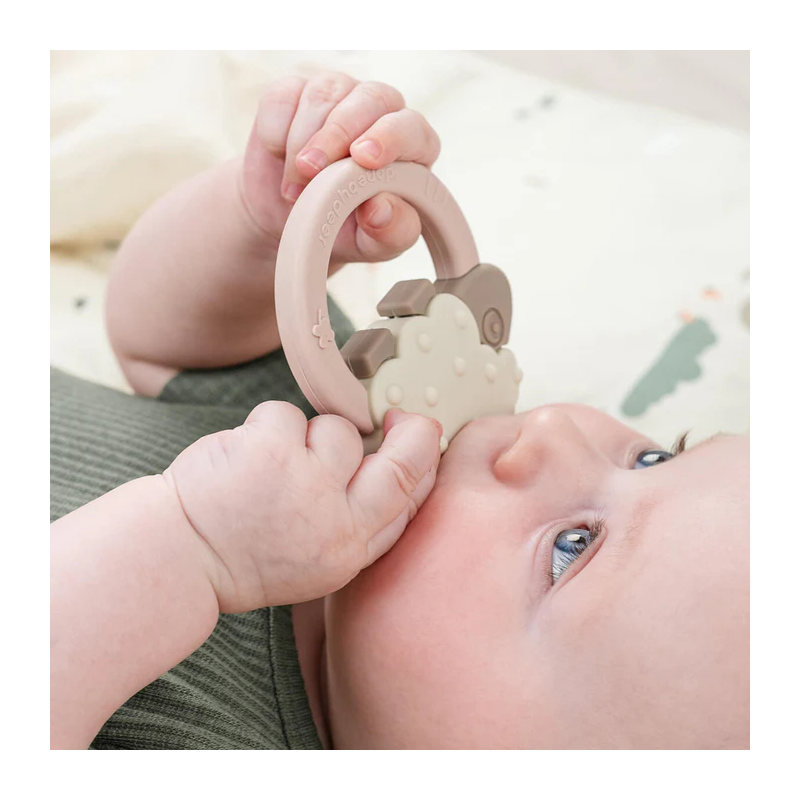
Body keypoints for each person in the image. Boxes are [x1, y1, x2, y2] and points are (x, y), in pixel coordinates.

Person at [50, 72, 749, 750]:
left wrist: (192, 549)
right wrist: (268, 225)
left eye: (573, 546)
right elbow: (167, 342)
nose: (554, 428)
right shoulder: (342, 446)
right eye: (655, 457)